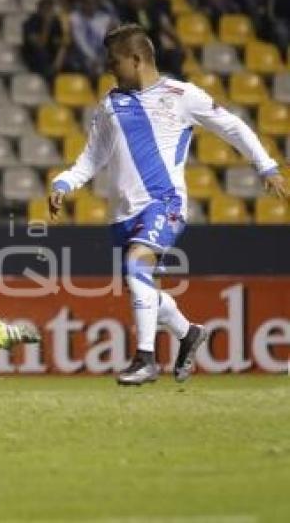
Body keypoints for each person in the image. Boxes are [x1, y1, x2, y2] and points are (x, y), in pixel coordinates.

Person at [47, 24, 288, 386]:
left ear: (137, 59)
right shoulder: (110, 103)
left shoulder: (181, 95)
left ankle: (145, 359)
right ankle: (188, 333)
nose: (109, 68)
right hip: (122, 214)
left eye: (114, 61)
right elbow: (91, 157)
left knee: (137, 267)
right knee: (140, 285)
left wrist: (267, 167)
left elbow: (234, 127)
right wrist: (63, 182)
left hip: (165, 202)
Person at [118, 0, 184, 78]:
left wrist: (180, 45)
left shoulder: (152, 12)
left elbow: (167, 29)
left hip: (155, 50)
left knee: (174, 55)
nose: (134, 1)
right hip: (137, 54)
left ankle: (179, 83)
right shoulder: (125, 16)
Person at [69, 0, 118, 79]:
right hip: (82, 57)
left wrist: (100, 59)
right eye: (87, 2)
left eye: (93, 3)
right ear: (82, 3)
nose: (91, 6)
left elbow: (105, 42)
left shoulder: (104, 18)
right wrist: (93, 59)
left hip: (101, 57)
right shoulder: (75, 18)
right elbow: (80, 42)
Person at [22, 0, 72, 82]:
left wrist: (58, 60)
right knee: (41, 54)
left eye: (50, 9)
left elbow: (61, 43)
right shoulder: (30, 23)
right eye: (45, 8)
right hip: (34, 56)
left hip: (52, 57)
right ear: (39, 9)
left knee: (70, 61)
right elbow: (39, 44)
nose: (48, 11)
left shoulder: (56, 22)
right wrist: (46, 25)